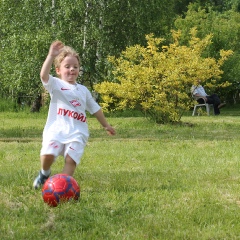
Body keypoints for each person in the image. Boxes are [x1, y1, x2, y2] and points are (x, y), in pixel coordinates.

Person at [33, 41, 116, 189]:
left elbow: (95, 109)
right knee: (48, 155)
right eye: (67, 66)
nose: (72, 69)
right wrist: (51, 56)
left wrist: (106, 125)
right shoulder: (56, 85)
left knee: (71, 160)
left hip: (77, 132)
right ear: (58, 70)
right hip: (56, 130)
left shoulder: (83, 90)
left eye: (75, 67)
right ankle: (44, 173)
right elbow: (43, 75)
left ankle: (61, 188)